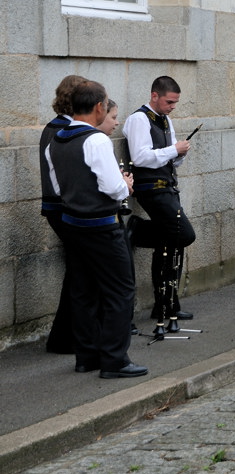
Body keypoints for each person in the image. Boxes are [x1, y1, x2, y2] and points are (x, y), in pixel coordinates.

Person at [45, 80, 146, 378]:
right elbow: (113, 188)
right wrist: (125, 184)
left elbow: (56, 185)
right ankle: (115, 360)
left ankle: (86, 356)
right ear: (99, 107)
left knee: (83, 291)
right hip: (101, 225)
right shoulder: (96, 140)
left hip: (72, 223)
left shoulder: (56, 138)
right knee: (120, 290)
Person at [122, 76, 196, 323]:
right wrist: (173, 150)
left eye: (175, 102)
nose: (172, 106)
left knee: (171, 244)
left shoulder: (165, 120)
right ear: (154, 95)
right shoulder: (138, 119)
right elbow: (141, 157)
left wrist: (179, 153)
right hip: (150, 188)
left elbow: (170, 157)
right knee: (184, 234)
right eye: (169, 102)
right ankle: (138, 228)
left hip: (167, 187)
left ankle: (166, 305)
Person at [41, 75, 89, 355]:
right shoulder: (62, 129)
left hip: (60, 206)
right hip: (64, 208)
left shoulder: (58, 127)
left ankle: (65, 337)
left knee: (77, 271)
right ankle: (64, 338)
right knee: (79, 274)